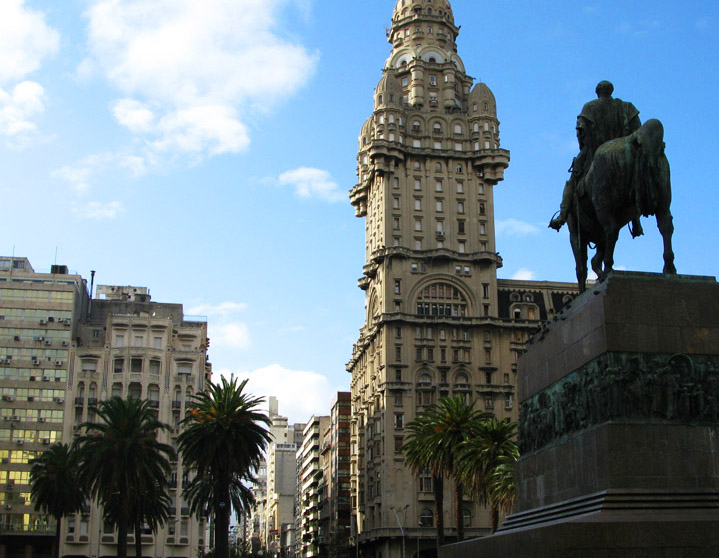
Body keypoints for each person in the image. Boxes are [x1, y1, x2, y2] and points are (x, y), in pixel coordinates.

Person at [549, 81, 643, 234]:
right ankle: (636, 221)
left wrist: (584, 147)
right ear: (611, 91)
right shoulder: (626, 107)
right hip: (624, 155)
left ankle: (562, 216)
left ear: (598, 92)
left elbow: (581, 131)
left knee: (573, 181)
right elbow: (637, 130)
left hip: (594, 154)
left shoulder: (590, 107)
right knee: (633, 179)